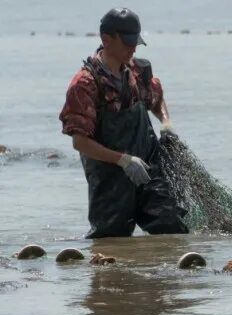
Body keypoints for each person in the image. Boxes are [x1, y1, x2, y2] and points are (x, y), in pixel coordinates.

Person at [59, 8, 188, 238]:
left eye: (136, 41)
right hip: (110, 182)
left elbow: (156, 100)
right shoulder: (85, 84)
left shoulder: (138, 71)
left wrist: (166, 124)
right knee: (111, 241)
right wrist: (124, 160)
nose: (133, 48)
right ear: (106, 40)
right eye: (128, 42)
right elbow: (80, 142)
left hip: (148, 171)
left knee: (172, 230)